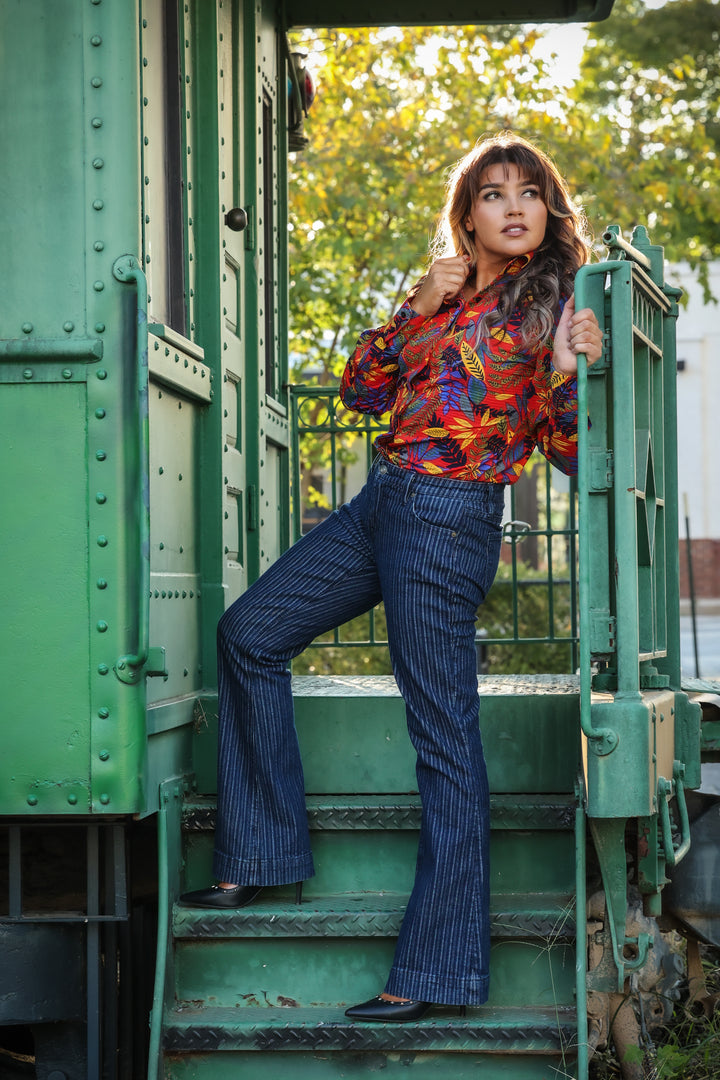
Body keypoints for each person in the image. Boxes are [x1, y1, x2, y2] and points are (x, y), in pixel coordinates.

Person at [179, 132, 603, 1022]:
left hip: (450, 519)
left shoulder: (557, 303)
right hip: (384, 502)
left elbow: (571, 455)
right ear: (469, 213)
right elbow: (364, 391)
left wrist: (567, 374)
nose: (514, 206)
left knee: (443, 742)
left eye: (529, 191)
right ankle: (258, 857)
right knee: (250, 634)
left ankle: (436, 973)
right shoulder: (444, 293)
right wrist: (415, 306)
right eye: (494, 193)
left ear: (549, 208)